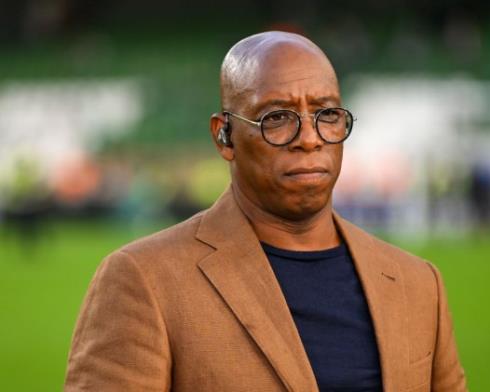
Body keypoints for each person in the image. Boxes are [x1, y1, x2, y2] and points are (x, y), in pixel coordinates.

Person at [65, 31, 467, 392]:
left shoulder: (418, 284)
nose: (309, 139)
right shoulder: (143, 280)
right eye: (277, 118)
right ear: (224, 136)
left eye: (327, 115)